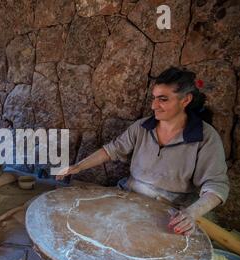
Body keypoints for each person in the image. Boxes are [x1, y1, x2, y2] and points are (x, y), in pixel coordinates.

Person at [56, 67, 229, 236]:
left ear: (185, 100)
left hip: (171, 209)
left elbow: (216, 185)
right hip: (129, 194)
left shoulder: (205, 137)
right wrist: (78, 166)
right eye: (154, 98)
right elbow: (112, 150)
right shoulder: (142, 127)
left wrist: (191, 213)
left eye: (163, 99)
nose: (154, 106)